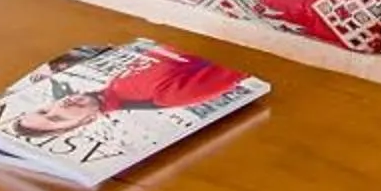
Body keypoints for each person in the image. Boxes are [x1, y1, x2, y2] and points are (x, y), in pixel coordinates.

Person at [12, 49, 245, 138]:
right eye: (57, 118)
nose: (59, 106)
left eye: (45, 109)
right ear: (86, 122)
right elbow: (242, 65)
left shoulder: (113, 83)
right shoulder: (161, 98)